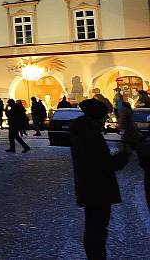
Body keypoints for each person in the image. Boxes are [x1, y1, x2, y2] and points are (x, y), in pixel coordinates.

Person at [70, 98, 130, 259]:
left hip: (90, 188)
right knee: (97, 230)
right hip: (98, 190)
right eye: (104, 116)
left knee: (93, 228)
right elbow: (105, 165)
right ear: (97, 117)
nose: (106, 120)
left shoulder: (84, 132)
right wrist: (126, 152)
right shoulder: (90, 135)